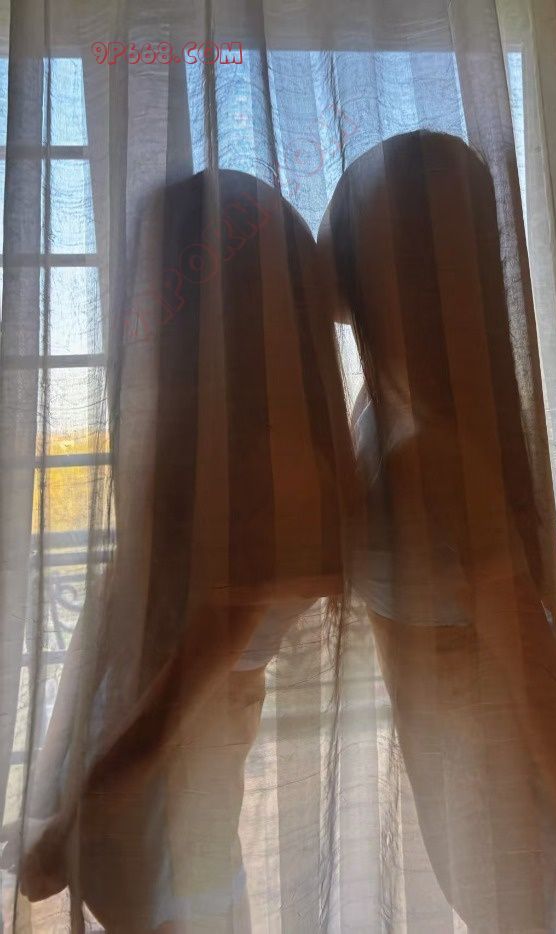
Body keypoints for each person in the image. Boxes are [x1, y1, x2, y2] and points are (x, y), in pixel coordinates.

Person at [3, 169, 355, 929]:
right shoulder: (218, 451)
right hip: (130, 785)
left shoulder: (274, 470)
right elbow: (120, 609)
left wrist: (66, 826)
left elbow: (178, 693)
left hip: (155, 794)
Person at [318, 130, 556, 932]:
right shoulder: (381, 407)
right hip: (465, 786)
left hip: (507, 801)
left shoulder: (428, 447)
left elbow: (527, 651)